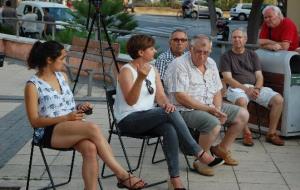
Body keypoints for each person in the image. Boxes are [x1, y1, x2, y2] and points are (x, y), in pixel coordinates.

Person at [24, 41, 147, 190]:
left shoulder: (62, 76)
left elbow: (64, 106)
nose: (65, 62)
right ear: (49, 60)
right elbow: (34, 122)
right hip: (48, 132)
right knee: (93, 128)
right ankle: (122, 175)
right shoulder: (32, 85)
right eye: (62, 58)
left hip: (70, 127)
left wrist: (79, 107)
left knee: (90, 148)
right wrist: (66, 118)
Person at [115, 34, 224, 189]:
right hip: (128, 120)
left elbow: (160, 96)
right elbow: (131, 101)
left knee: (169, 127)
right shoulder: (127, 71)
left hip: (148, 117)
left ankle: (175, 179)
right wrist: (140, 79)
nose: (155, 51)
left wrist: (167, 105)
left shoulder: (153, 69)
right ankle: (198, 152)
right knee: (166, 114)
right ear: (140, 52)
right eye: (151, 48)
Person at [165, 35, 249, 166]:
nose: (202, 56)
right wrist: (210, 110)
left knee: (243, 114)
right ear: (191, 49)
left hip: (210, 105)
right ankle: (201, 160)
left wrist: (218, 109)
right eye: (199, 52)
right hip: (185, 109)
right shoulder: (179, 64)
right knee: (213, 123)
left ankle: (222, 149)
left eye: (206, 52)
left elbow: (217, 91)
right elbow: (180, 97)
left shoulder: (211, 63)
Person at [221, 28, 285, 146]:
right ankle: (246, 133)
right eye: (234, 37)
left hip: (254, 87)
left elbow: (259, 76)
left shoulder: (252, 54)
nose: (237, 40)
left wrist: (256, 88)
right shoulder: (226, 56)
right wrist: (246, 89)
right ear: (231, 40)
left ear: (245, 39)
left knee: (278, 99)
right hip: (236, 89)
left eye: (240, 37)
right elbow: (227, 79)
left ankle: (271, 133)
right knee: (241, 101)